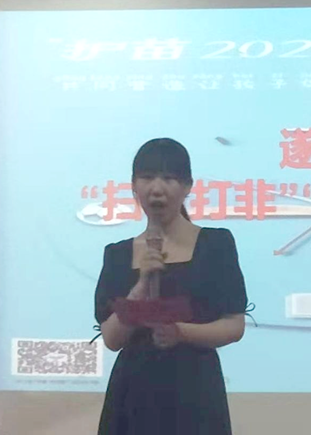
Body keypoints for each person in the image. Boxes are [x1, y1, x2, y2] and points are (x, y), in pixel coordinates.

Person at [94, 138, 248, 435]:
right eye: (147, 177)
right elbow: (112, 339)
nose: (157, 188)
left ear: (187, 186)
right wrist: (140, 286)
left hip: (195, 390)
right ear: (134, 186)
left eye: (168, 178)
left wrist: (181, 332)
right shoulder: (117, 254)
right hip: (133, 393)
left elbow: (234, 326)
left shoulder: (215, 244)